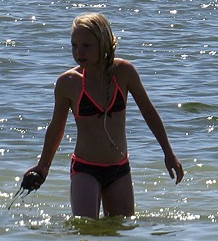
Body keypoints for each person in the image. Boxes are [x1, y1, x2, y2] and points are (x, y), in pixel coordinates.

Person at [19, 13, 183, 218]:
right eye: (74, 45)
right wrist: (44, 165)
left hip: (120, 169)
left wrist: (168, 153)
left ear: (104, 44)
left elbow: (148, 112)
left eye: (87, 46)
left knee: (120, 228)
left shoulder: (124, 72)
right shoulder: (68, 83)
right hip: (85, 169)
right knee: (85, 227)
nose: (79, 52)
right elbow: (56, 127)